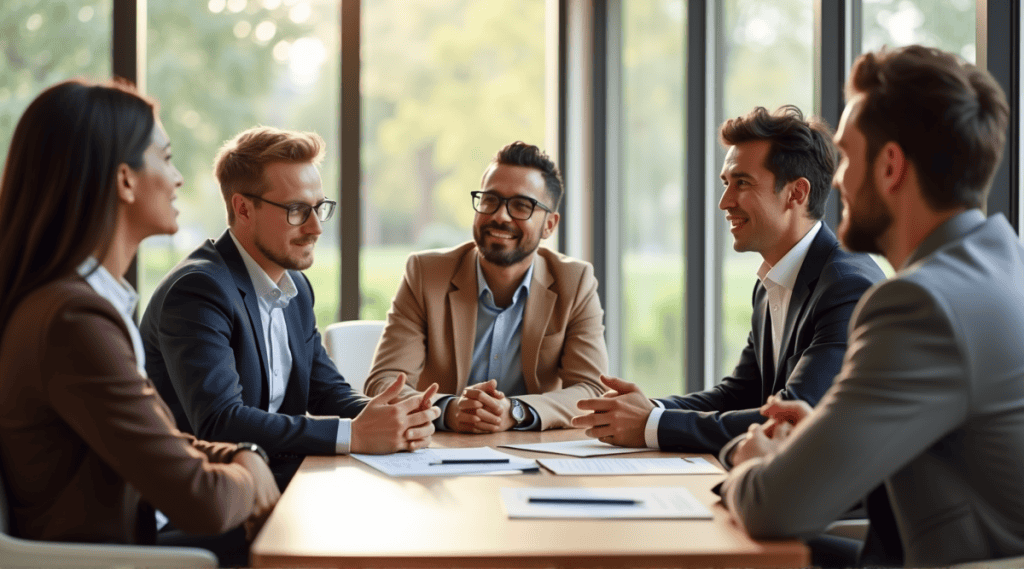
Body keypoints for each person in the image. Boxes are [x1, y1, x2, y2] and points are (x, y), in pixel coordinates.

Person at [722, 45, 1024, 568]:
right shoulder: (1004, 266)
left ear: (890, 167)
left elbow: (771, 508)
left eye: (844, 157)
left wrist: (751, 458)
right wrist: (820, 434)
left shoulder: (919, 304)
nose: (834, 181)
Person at [0, 79, 277, 563]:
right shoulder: (72, 320)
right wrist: (250, 475)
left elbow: (157, 439)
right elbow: (204, 503)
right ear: (125, 180)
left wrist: (241, 454)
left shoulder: (74, 304)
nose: (179, 179)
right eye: (166, 159)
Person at [572, 106, 884, 457]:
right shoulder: (772, 280)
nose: (724, 202)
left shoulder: (847, 286)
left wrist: (650, 424)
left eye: (742, 183)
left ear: (796, 194)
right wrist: (643, 409)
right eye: (726, 184)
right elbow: (740, 394)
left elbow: (793, 417)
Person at [141, 126, 440, 487]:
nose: (315, 227)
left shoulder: (294, 285)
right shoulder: (199, 290)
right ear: (243, 208)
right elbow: (221, 422)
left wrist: (398, 416)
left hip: (278, 482)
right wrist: (354, 435)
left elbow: (326, 391)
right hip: (211, 496)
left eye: (319, 208)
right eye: (297, 210)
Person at [365, 141, 607, 433]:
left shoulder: (575, 282)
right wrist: (449, 409)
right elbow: (384, 383)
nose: (500, 216)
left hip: (535, 453)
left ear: (549, 225)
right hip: (443, 452)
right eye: (490, 200)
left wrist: (517, 411)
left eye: (521, 205)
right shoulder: (426, 275)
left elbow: (591, 389)